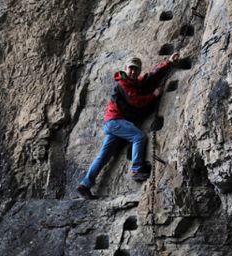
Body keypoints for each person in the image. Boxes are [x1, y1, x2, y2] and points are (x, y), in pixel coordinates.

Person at [77, 53, 179, 198]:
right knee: (139, 136)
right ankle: (136, 169)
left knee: (104, 156)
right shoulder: (123, 84)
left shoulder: (134, 82)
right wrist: (154, 96)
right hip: (116, 121)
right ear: (124, 69)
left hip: (113, 123)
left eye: (136, 69)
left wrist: (168, 62)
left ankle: (85, 185)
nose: (133, 71)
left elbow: (150, 76)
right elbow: (135, 101)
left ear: (138, 71)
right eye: (130, 68)